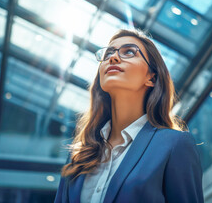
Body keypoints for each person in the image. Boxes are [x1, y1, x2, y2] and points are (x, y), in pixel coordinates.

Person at [54, 29, 204, 203]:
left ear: (151, 78)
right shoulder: (79, 155)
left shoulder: (175, 145)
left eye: (129, 52)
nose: (113, 58)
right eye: (108, 53)